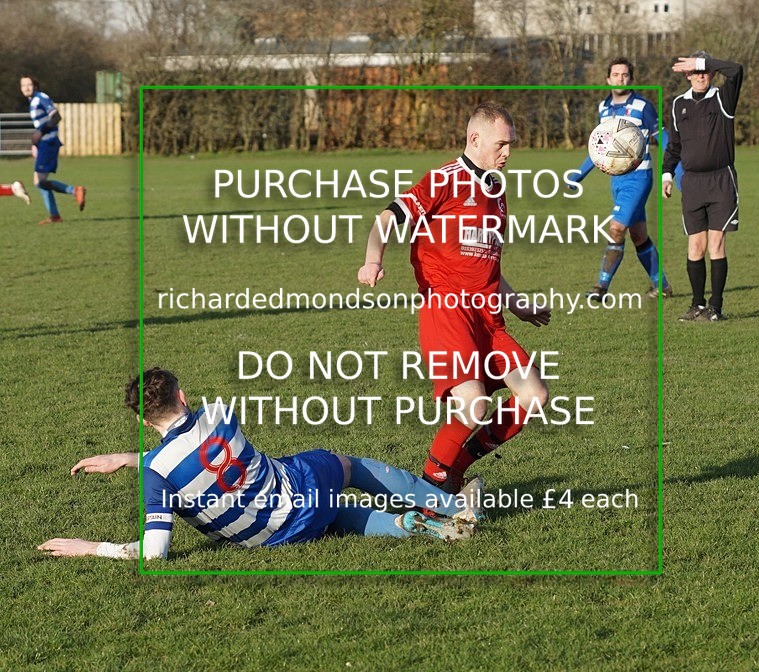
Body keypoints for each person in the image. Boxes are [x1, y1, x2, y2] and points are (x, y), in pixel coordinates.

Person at [37, 368, 482, 560]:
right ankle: (448, 506)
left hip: (267, 541)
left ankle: (419, 527)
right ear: (183, 397)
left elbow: (154, 552)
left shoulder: (158, 475)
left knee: (332, 516)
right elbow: (192, 446)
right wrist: (133, 460)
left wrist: (92, 547)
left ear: (140, 419)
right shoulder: (216, 415)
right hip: (299, 491)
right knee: (346, 466)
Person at [357, 102, 551, 495]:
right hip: (447, 312)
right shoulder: (445, 179)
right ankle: (434, 483)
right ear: (475, 139)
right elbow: (386, 219)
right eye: (501, 144)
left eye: (510, 144)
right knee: (473, 406)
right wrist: (372, 259)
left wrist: (518, 304)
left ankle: (450, 472)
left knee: (534, 395)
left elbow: (487, 264)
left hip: (489, 319)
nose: (507, 153)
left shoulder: (496, 192)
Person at [571, 57, 671, 301]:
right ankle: (663, 286)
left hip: (639, 177)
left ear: (631, 79)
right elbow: (600, 150)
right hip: (616, 180)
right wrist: (578, 174)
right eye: (616, 74)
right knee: (638, 234)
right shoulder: (603, 109)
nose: (620, 78)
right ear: (608, 79)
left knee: (616, 228)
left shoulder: (643, 106)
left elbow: (663, 138)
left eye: (625, 75)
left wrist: (674, 170)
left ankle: (601, 288)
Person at [662, 51, 744, 322]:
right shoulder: (677, 104)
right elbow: (674, 145)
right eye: (695, 71)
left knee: (716, 244)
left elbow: (736, 69)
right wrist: (667, 175)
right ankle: (697, 305)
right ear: (686, 75)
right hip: (692, 184)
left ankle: (716, 307)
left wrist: (703, 62)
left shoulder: (723, 99)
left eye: (704, 71)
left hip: (721, 180)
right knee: (695, 246)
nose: (700, 76)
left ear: (711, 73)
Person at [19, 75, 86, 225]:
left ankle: (74, 191)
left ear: (35, 85)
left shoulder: (41, 98)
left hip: (48, 143)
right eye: (23, 86)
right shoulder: (33, 100)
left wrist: (40, 134)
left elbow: (56, 117)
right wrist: (36, 143)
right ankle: (55, 215)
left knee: (40, 182)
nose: (26, 88)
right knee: (39, 181)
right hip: (44, 144)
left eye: (29, 85)